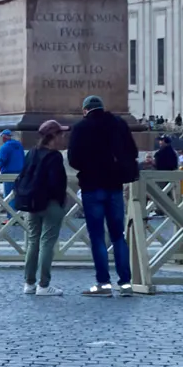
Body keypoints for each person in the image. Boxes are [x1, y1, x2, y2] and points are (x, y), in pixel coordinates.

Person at [66, 95, 139, 297]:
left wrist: (88, 168)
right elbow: (132, 151)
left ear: (85, 110)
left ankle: (103, 283)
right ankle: (126, 284)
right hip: (115, 185)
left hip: (92, 185)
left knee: (97, 237)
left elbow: (73, 159)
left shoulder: (81, 127)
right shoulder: (119, 124)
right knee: (118, 236)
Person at [11, 119, 69, 296]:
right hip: (50, 202)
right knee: (47, 242)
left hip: (31, 202)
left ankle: (29, 283)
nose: (64, 136)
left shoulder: (32, 153)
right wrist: (61, 200)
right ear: (54, 136)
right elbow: (56, 182)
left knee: (33, 241)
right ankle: (44, 285)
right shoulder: (54, 156)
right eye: (61, 133)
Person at [0, 129, 25, 195]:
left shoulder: (4, 147)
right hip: (20, 174)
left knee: (8, 195)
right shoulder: (19, 146)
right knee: (17, 195)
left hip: (8, 174)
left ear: (4, 137)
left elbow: (2, 161)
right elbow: (23, 158)